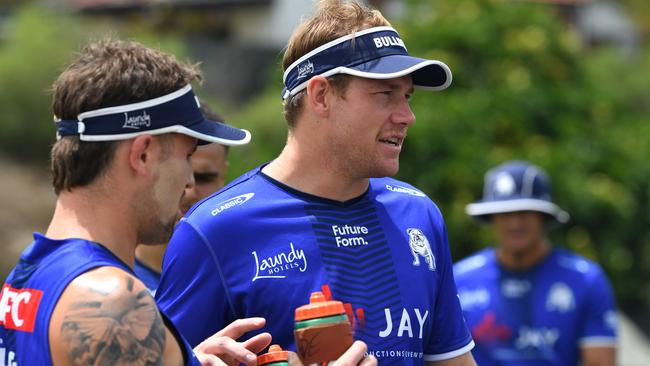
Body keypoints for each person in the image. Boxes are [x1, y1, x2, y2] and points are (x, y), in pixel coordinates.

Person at [156, 0, 476, 364]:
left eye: (407, 96)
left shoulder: (418, 215)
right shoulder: (215, 229)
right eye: (385, 94)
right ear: (321, 95)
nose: (407, 116)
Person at [0, 39, 269, 366]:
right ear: (142, 154)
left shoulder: (29, 273)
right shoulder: (112, 305)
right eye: (187, 156)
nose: (188, 183)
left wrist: (186, 359)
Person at [454, 160, 617, 365]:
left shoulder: (585, 279)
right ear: (491, 217)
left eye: (524, 212)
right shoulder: (460, 279)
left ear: (544, 217)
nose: (515, 223)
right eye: (505, 213)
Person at [134, 103, 230, 295]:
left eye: (205, 178)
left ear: (223, 176)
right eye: (176, 174)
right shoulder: (110, 281)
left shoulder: (240, 271)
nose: (190, 190)